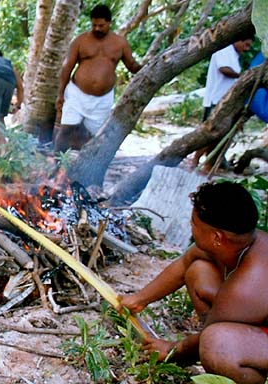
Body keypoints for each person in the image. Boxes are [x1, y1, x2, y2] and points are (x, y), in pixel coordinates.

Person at [119, 181, 268, 384]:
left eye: (194, 224)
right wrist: (139, 299)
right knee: (198, 271)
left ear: (217, 237)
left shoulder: (248, 284)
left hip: (249, 320)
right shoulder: (237, 243)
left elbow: (209, 335)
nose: (191, 227)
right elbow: (184, 263)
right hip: (245, 315)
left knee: (216, 344)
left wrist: (172, 349)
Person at [54, 4, 141, 151]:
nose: (97, 29)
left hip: (102, 99)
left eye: (101, 25)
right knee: (66, 129)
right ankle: (56, 165)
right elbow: (67, 67)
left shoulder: (120, 43)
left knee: (95, 136)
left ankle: (86, 169)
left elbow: (132, 66)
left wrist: (151, 66)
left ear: (109, 23)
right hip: (77, 94)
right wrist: (60, 94)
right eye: (94, 25)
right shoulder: (81, 41)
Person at [191, 39, 253, 172]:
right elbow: (224, 69)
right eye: (245, 44)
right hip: (216, 100)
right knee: (210, 134)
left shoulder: (234, 55)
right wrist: (243, 76)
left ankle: (212, 163)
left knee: (220, 135)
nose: (246, 48)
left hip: (227, 101)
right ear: (238, 40)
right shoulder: (224, 50)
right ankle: (195, 161)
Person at [0, 46, 24, 153]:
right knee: (0, 116)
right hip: (9, 82)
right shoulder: (7, 64)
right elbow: (20, 87)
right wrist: (18, 105)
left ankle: (3, 146)